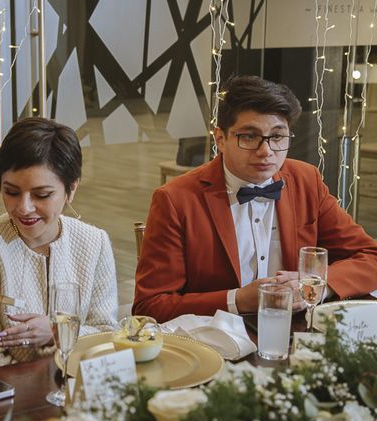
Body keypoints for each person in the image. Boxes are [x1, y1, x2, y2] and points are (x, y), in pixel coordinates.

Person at [133, 75, 377, 322]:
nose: (266, 151)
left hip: (299, 332)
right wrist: (236, 300)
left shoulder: (306, 180)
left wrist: (319, 286)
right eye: (249, 136)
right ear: (220, 139)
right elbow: (150, 305)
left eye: (277, 136)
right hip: (216, 343)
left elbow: (370, 256)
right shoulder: (175, 199)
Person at [0, 117, 118, 372]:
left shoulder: (95, 243)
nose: (24, 208)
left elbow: (107, 334)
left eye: (42, 195)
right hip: (7, 401)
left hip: (81, 392)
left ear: (71, 189)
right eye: (12, 192)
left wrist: (55, 332)